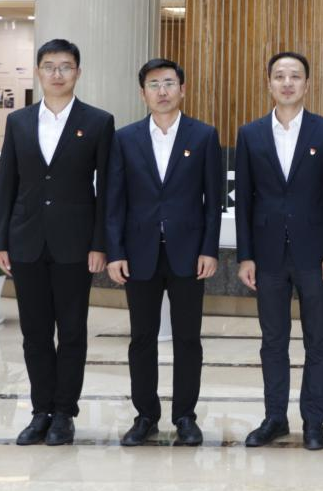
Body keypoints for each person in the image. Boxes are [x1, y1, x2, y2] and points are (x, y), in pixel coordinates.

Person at [0, 38, 115, 446]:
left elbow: (107, 189)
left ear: (78, 72)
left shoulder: (98, 122)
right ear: (38, 72)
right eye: (49, 66)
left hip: (76, 244)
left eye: (65, 66)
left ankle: (65, 413)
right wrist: (1, 240)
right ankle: (40, 411)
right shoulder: (19, 121)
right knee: (35, 333)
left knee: (73, 331)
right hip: (26, 240)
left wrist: (100, 243)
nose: (57, 74)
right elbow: (7, 183)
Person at [105, 58, 224, 447]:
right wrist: (115, 252)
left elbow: (213, 202)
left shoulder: (203, 136)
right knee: (142, 338)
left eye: (169, 83)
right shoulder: (125, 138)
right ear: (143, 93)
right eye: (154, 85)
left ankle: (185, 416)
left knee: (188, 338)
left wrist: (209, 249)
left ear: (182, 89)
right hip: (139, 253)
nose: (162, 91)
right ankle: (146, 415)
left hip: (188, 254)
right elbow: (114, 201)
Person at [234, 52, 323, 451]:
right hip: (266, 255)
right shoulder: (250, 134)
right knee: (273, 340)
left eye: (295, 76)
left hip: (314, 254)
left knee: (318, 340)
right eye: (279, 76)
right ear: (269, 83)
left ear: (307, 84)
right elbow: (244, 201)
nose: (287, 83)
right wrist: (245, 256)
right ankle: (275, 417)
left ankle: (314, 420)